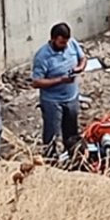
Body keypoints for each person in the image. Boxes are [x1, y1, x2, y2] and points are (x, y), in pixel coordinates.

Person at [30, 22, 87, 157]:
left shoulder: (72, 44)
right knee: (52, 133)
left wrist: (79, 68)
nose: (65, 45)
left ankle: (72, 155)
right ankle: (50, 158)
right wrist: (60, 80)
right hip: (52, 102)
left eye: (66, 42)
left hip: (72, 97)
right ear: (53, 39)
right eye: (61, 42)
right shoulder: (42, 56)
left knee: (71, 131)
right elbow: (36, 82)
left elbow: (83, 58)